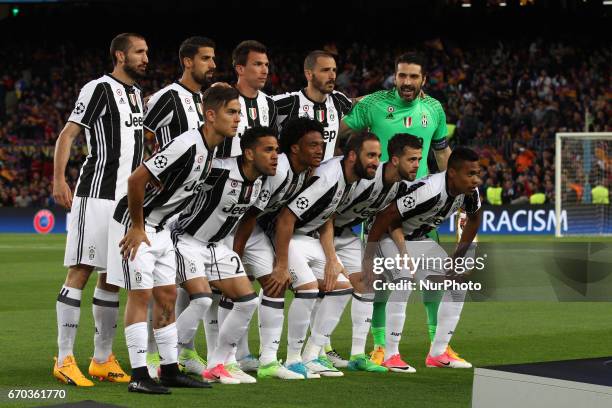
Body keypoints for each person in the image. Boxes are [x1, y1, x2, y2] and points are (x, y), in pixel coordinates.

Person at [106, 86, 240, 394]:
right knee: (140, 296)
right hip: (135, 225)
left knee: (166, 296)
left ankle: (168, 370)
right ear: (210, 115)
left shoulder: (212, 149)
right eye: (231, 112)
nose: (236, 119)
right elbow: (136, 179)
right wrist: (138, 227)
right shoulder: (187, 144)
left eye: (238, 113)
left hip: (163, 228)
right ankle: (139, 376)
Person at [340, 52, 452, 364]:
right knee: (384, 280)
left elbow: (442, 155)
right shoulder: (372, 105)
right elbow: (339, 135)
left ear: (423, 80)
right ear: (395, 75)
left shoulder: (434, 109)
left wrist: (456, 194)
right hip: (379, 203)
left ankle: (438, 347)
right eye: (401, 76)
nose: (406, 82)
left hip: (421, 205)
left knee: (436, 277)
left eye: (413, 77)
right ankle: (379, 346)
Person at [52, 33, 148, 387]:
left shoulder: (138, 96)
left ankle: (102, 358)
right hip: (95, 195)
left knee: (112, 279)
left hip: (125, 203)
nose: (145, 58)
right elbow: (69, 134)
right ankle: (63, 359)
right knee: (81, 271)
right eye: (139, 52)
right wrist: (59, 180)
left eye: (147, 52)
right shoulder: (98, 88)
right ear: (120, 55)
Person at [171, 126, 277, 384]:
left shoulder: (260, 182)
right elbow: (178, 183)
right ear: (249, 154)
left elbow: (246, 219)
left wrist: (236, 254)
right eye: (269, 150)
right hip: (186, 239)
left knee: (248, 301)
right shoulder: (218, 170)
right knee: (202, 300)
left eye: (277, 150)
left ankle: (217, 364)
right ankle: (168, 358)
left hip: (216, 246)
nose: (275, 156)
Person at [273, 131, 380, 378]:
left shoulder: (347, 177)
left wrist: (332, 259)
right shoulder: (328, 178)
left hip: (308, 238)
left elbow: (327, 215)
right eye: (371, 155)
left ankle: (313, 354)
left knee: (342, 287)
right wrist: (281, 261)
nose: (376, 161)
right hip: (287, 236)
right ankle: (291, 359)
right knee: (308, 289)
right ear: (353, 156)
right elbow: (286, 217)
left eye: (378, 156)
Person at [364, 146, 482, 369]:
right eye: (470, 174)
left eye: (478, 173)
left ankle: (438, 353)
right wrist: (368, 258)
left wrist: (458, 256)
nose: (475, 179)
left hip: (417, 238)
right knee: (404, 279)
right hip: (386, 234)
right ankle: (391, 355)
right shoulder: (429, 191)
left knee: (457, 283)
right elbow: (386, 216)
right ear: (453, 173)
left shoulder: (470, 192)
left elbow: (474, 219)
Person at [142, 35, 217, 379]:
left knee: (184, 286)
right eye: (205, 58)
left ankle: (179, 352)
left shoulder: (205, 101)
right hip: (164, 209)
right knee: (161, 287)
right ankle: (152, 356)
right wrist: (149, 168)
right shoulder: (168, 97)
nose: (212, 65)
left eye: (213, 58)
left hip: (193, 206)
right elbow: (140, 134)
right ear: (187, 61)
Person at [231, 117, 325, 380]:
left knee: (274, 284)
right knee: (220, 290)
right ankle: (208, 356)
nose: (320, 150)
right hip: (234, 226)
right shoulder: (280, 170)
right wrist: (235, 258)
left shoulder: (303, 172)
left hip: (256, 229)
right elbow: (248, 215)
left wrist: (280, 265)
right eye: (313, 145)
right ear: (295, 148)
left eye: (322, 144)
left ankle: (268, 360)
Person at [333, 134, 423, 373]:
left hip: (345, 233)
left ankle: (357, 356)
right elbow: (330, 207)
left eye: (419, 160)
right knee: (327, 287)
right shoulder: (365, 180)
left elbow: (389, 221)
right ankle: (319, 351)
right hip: (320, 230)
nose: (417, 165)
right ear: (395, 160)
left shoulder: (399, 187)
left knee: (366, 284)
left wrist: (404, 253)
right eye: (412, 160)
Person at [274, 50, 353, 162]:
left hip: (326, 177)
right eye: (325, 70)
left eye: (334, 70)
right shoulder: (290, 103)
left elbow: (358, 104)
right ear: (309, 74)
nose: (332, 76)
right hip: (294, 177)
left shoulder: (338, 100)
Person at [216, 40, 277, 159]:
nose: (265, 71)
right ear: (240, 69)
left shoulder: (270, 104)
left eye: (266, 65)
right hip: (224, 175)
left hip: (258, 177)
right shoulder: (221, 99)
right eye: (258, 64)